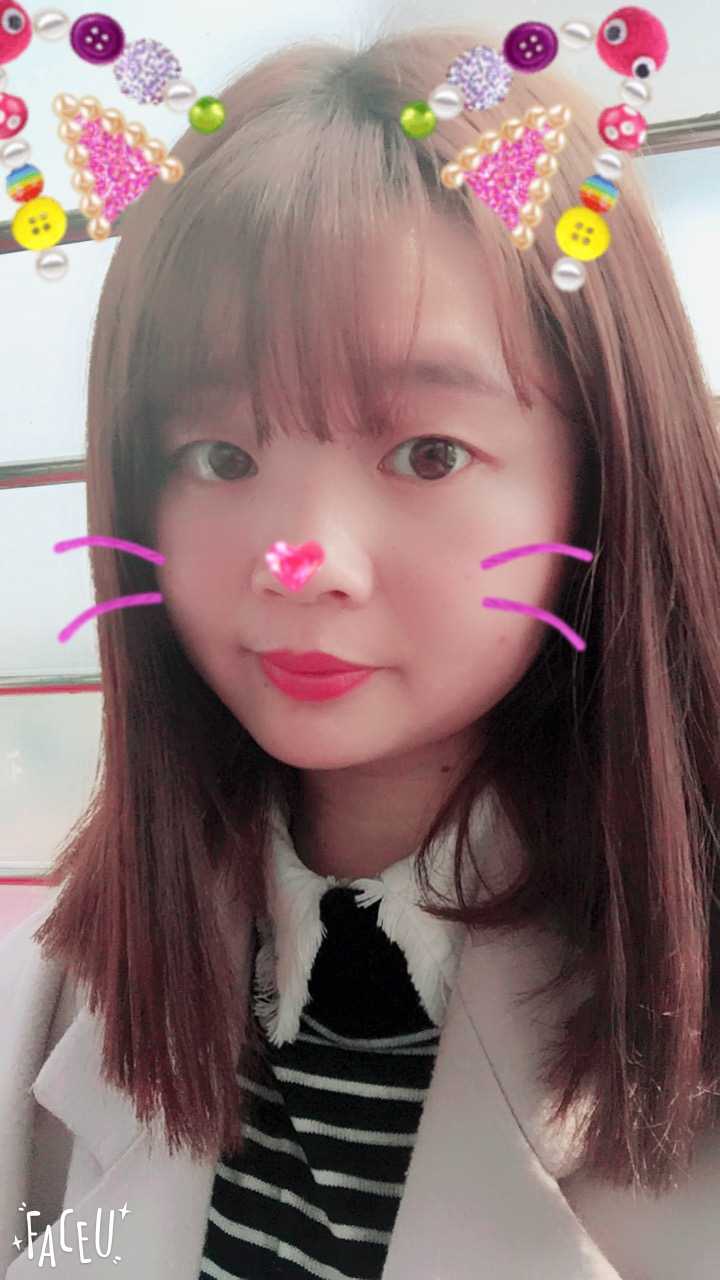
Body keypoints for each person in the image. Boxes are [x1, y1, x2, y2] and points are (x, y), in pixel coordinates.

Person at [2, 20, 720, 1280]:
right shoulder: (66, 984)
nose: (303, 558)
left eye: (426, 453)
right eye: (218, 455)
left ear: (608, 468)